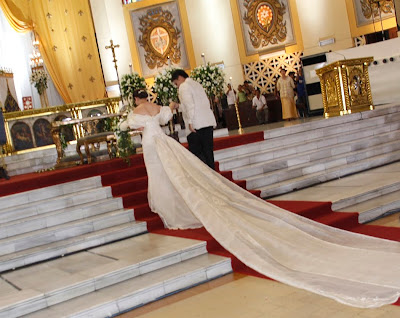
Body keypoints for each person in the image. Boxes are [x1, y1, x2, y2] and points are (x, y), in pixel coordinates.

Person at [120, 89, 400, 309]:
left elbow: (130, 127)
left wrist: (137, 126)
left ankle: (174, 213)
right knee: (168, 177)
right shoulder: (156, 108)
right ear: (149, 96)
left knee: (159, 177)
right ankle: (178, 208)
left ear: (136, 98)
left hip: (149, 144)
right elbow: (168, 116)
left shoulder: (135, 111)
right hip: (162, 141)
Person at [170, 69, 216, 170]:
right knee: (208, 153)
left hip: (196, 126)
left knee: (198, 157)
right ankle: (214, 179)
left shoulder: (184, 86)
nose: (177, 86)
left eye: (176, 83)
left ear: (179, 78)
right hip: (207, 122)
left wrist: (190, 122)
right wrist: (179, 106)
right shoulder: (196, 84)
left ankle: (205, 181)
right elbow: (195, 104)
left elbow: (190, 106)